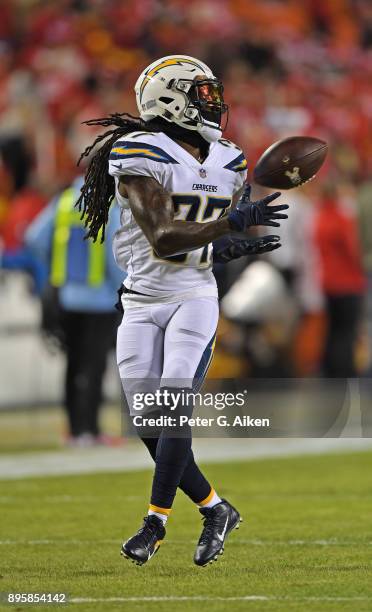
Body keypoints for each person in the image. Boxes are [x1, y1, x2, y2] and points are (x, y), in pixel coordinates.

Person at [77, 55, 288, 566]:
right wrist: (230, 228)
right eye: (202, 93)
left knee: (172, 406)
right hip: (142, 299)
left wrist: (224, 248)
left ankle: (154, 522)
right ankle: (216, 509)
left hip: (193, 296)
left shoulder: (230, 159)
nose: (213, 103)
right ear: (170, 100)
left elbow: (196, 245)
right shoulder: (137, 151)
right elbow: (167, 237)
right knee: (148, 421)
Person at [26, 175, 124, 445]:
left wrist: (57, 267)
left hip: (67, 298)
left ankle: (73, 429)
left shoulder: (65, 201)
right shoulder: (107, 206)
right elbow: (114, 256)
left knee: (73, 364)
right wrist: (124, 291)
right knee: (94, 366)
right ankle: (90, 430)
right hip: (100, 301)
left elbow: (33, 238)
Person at [313, 182, 365, 377]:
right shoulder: (342, 219)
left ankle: (329, 371)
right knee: (347, 331)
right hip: (348, 282)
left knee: (332, 330)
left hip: (327, 282)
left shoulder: (318, 219)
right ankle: (345, 372)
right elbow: (353, 251)